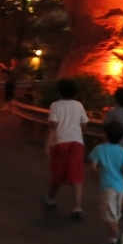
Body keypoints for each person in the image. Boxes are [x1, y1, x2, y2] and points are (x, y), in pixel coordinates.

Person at [43, 78, 88, 219]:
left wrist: (47, 145)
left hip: (60, 142)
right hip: (77, 143)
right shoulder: (79, 105)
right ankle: (77, 208)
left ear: (60, 91)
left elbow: (53, 126)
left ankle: (50, 198)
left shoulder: (55, 106)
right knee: (76, 174)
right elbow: (84, 124)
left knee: (58, 172)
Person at [89, 120, 123, 244]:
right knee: (115, 215)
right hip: (120, 187)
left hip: (108, 188)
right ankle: (113, 241)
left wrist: (95, 174)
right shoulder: (122, 151)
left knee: (106, 215)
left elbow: (93, 168)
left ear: (105, 134)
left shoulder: (99, 149)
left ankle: (119, 236)